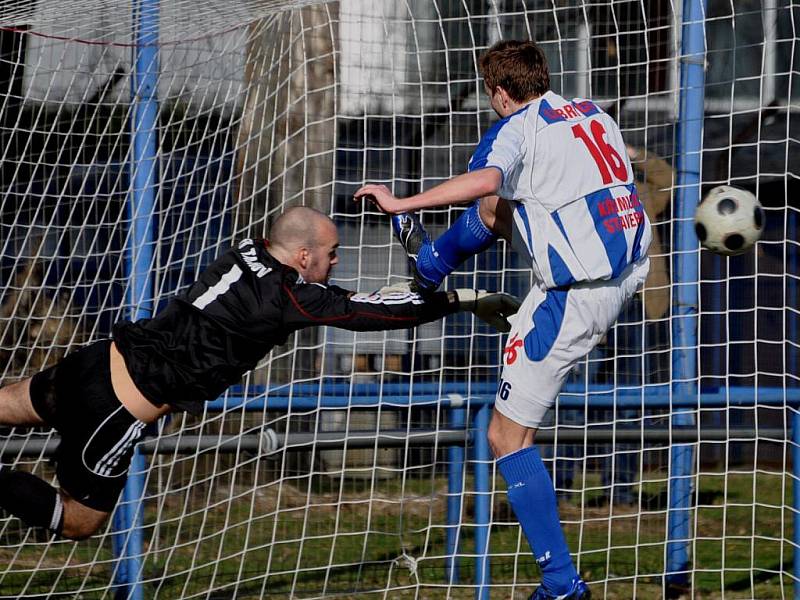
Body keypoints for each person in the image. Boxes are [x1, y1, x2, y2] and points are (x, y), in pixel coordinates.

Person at [0, 206, 520, 541]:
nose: (336, 262)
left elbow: (333, 296)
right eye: (331, 254)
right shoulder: (287, 295)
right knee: (81, 522)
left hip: (93, 360)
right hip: (114, 411)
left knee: (12, 404)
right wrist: (459, 299)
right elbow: (373, 313)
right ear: (301, 256)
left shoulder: (246, 251)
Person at [355, 40, 652, 600]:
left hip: (572, 294)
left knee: (504, 436)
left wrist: (401, 204)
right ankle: (431, 263)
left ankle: (561, 583)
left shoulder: (513, 129)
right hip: (628, 266)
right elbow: (502, 203)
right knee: (498, 212)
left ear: (497, 92)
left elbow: (486, 181)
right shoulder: (591, 111)